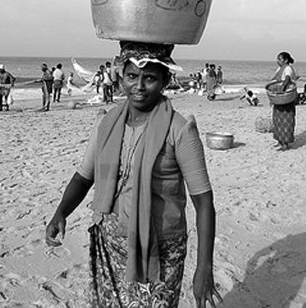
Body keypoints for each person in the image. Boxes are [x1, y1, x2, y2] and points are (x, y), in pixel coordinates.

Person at [45, 41, 219, 308]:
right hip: (109, 240)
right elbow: (84, 176)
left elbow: (204, 202)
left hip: (161, 247)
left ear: (165, 81)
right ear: (121, 78)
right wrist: (61, 212)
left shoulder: (180, 130)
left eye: (149, 78)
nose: (139, 86)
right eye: (132, 76)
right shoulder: (106, 123)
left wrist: (204, 267)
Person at [265, 51, 298, 150]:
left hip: (286, 97)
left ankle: (285, 143)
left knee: (286, 120)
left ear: (286, 60)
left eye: (280, 59)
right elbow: (275, 80)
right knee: (277, 119)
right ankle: (280, 140)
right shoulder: (280, 69)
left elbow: (287, 79)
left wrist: (282, 88)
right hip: (279, 98)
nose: (277, 61)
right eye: (277, 59)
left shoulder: (288, 68)